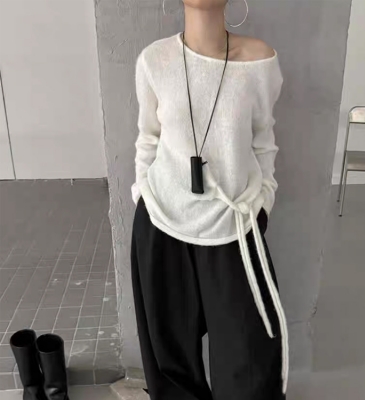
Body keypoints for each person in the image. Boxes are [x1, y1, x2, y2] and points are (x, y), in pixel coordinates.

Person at [130, 1, 288, 399]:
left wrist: (262, 204)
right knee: (171, 367)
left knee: (250, 364)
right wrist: (142, 194)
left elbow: (263, 140)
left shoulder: (260, 60)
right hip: (162, 224)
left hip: (234, 226)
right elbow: (148, 138)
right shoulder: (154, 60)